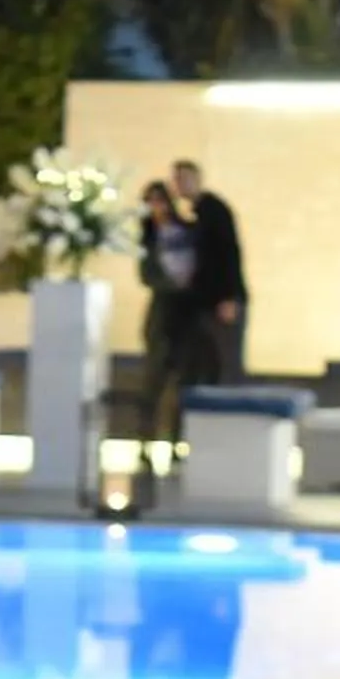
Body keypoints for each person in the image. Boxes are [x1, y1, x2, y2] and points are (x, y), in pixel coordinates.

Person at [136, 180, 217, 474]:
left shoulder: (188, 232)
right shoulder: (147, 238)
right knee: (153, 383)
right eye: (149, 202)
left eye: (159, 200)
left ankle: (176, 446)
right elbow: (147, 275)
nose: (156, 207)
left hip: (187, 315)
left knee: (184, 383)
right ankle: (145, 445)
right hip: (162, 315)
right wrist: (170, 285)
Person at [171, 159, 246, 382]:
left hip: (220, 300)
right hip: (203, 302)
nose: (181, 184)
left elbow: (229, 253)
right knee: (206, 363)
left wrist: (230, 297)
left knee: (225, 364)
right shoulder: (195, 213)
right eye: (177, 180)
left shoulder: (214, 210)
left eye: (185, 179)